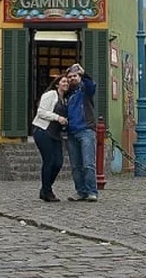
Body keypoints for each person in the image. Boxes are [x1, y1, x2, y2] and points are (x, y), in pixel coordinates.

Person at [31, 74, 69, 202]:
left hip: (56, 134)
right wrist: (57, 118)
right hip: (43, 131)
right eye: (63, 81)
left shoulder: (66, 99)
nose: (66, 83)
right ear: (57, 84)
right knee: (49, 161)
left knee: (58, 162)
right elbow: (41, 112)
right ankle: (47, 191)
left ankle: (45, 189)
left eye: (68, 82)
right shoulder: (51, 95)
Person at [64, 63, 98, 202]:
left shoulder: (85, 90)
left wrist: (85, 74)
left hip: (86, 130)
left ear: (80, 77)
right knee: (75, 166)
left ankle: (91, 191)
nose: (72, 78)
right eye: (70, 77)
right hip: (71, 133)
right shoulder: (67, 95)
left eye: (75, 76)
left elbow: (91, 85)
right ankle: (80, 191)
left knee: (88, 163)